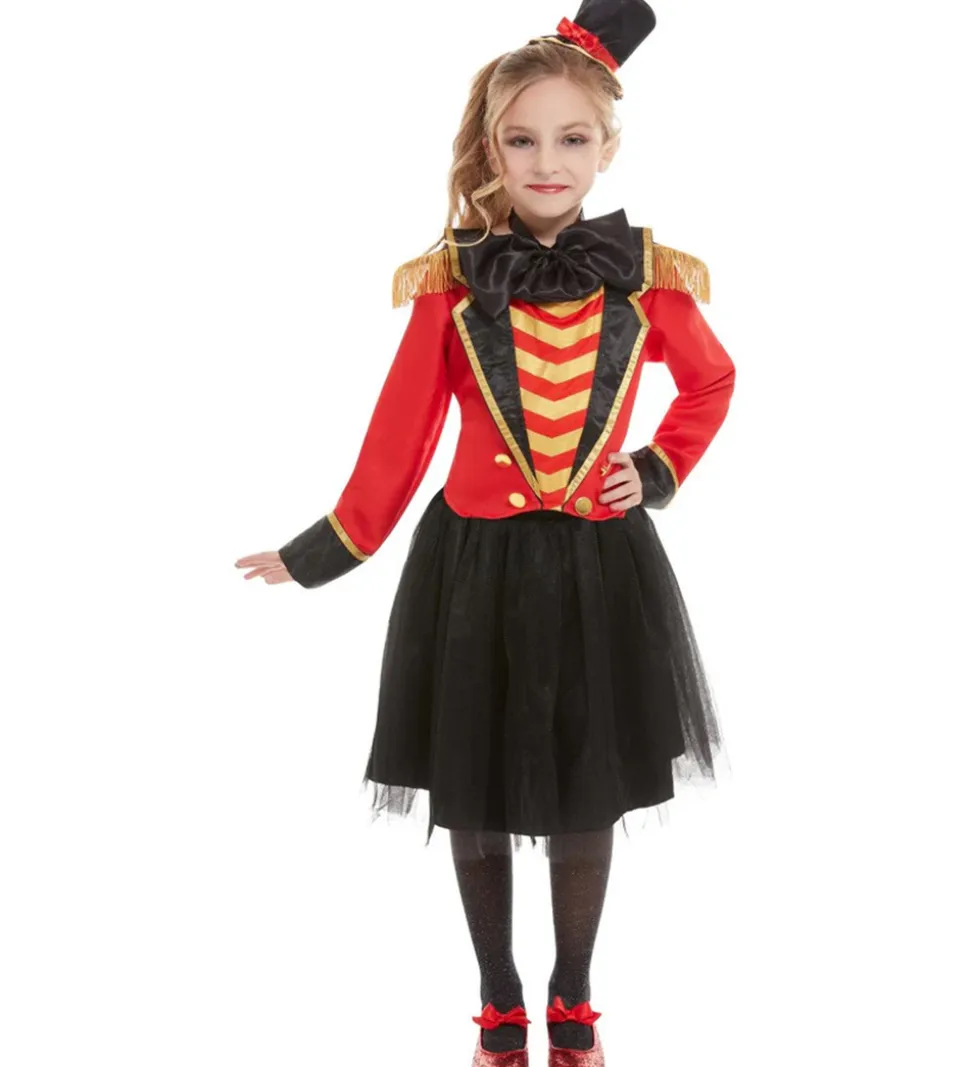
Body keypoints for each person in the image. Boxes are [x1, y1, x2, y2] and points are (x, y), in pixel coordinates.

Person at [235, 1, 736, 1063]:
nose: (547, 162)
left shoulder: (649, 277)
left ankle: (573, 996)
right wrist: (322, 548)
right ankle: (498, 1001)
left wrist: (652, 469)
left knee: (586, 787)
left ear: (606, 147)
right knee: (475, 789)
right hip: (474, 565)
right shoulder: (452, 284)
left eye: (572, 138)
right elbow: (401, 430)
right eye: (522, 139)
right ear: (491, 149)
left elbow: (711, 381)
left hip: (600, 563)